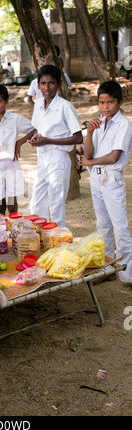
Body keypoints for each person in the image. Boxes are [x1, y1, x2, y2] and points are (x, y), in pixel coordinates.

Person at [81, 80, 132, 285]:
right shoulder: (99, 124)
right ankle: (108, 268)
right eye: (101, 103)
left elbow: (113, 156)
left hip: (112, 177)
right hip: (96, 177)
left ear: (119, 101)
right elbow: (89, 153)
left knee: (120, 227)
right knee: (103, 225)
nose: (105, 107)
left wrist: (90, 162)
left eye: (110, 102)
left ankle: (128, 275)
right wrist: (90, 132)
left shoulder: (125, 125)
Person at [27, 64, 82, 227]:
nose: (46, 87)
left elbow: (78, 137)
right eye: (43, 83)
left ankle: (58, 243)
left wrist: (48, 140)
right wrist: (36, 138)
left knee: (56, 203)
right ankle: (40, 238)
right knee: (37, 201)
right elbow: (38, 128)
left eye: (51, 83)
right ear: (38, 85)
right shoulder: (38, 104)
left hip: (58, 158)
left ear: (59, 84)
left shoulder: (65, 106)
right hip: (42, 156)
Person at [0, 84, 35, 215]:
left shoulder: (15, 119)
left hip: (11, 164)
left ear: (6, 101)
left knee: (12, 203)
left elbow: (34, 129)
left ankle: (13, 229)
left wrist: (19, 142)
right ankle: (2, 230)